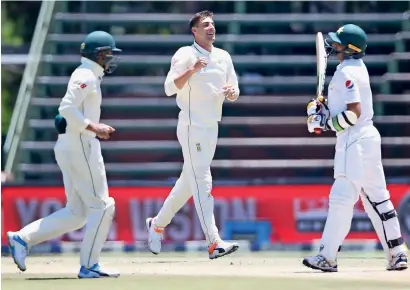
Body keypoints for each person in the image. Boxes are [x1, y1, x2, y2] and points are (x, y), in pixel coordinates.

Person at [7, 31, 122, 278]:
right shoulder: (86, 75)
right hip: (81, 143)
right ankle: (89, 266)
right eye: (109, 54)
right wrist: (95, 127)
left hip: (71, 144)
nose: (111, 59)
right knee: (102, 205)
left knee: (78, 212)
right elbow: (66, 108)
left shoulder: (88, 74)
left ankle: (22, 238)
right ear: (98, 54)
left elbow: (67, 112)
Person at [303, 24, 408, 272]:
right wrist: (322, 111)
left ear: (349, 48)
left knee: (341, 198)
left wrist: (325, 123)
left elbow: (353, 113)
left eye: (338, 42)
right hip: (368, 138)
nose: (333, 45)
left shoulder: (344, 72)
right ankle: (397, 253)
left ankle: (327, 257)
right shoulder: (358, 69)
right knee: (378, 199)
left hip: (353, 139)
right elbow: (349, 107)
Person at [146, 10, 240, 259]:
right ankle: (213, 242)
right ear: (195, 31)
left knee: (188, 182)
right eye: (205, 25)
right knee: (202, 181)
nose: (211, 28)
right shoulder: (185, 54)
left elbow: (235, 89)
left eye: (212, 24)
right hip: (191, 125)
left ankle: (156, 224)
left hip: (211, 125)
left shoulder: (223, 56)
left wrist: (232, 92)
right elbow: (168, 88)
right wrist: (193, 69)